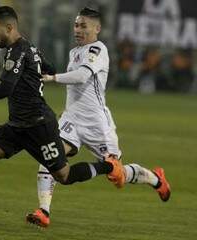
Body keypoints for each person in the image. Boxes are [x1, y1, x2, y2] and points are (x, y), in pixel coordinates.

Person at [0, 6, 125, 234]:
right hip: (17, 125)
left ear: (9, 27)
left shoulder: (17, 51)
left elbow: (6, 88)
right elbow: (49, 67)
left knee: (63, 176)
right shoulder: (29, 47)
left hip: (39, 126)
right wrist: (35, 75)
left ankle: (108, 166)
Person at [25, 7, 171, 228]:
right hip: (71, 120)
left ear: (97, 28)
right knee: (49, 156)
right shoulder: (74, 52)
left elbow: (83, 76)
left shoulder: (98, 49)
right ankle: (43, 211)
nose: (78, 29)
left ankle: (155, 178)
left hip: (96, 125)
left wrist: (51, 77)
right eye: (76, 25)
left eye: (83, 25)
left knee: (118, 174)